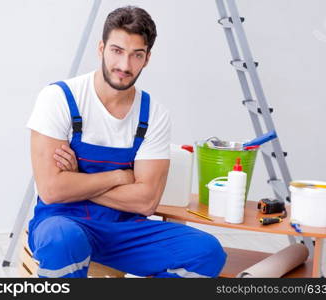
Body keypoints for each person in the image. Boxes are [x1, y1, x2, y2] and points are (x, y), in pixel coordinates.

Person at [26, 5, 227, 278]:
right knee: (62, 238)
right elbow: (51, 190)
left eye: (136, 55)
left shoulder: (153, 114)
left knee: (206, 251)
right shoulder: (59, 98)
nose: (124, 65)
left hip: (125, 230)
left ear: (147, 59)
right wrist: (121, 176)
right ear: (101, 48)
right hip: (62, 220)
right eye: (117, 51)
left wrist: (76, 178)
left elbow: (145, 202)